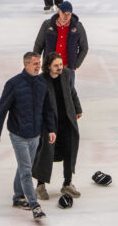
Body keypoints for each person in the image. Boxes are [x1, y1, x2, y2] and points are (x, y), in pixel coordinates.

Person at [0, 52, 56, 221]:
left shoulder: (42, 83)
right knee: (27, 170)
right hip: (18, 135)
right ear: (26, 64)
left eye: (39, 63)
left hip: (35, 135)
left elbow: (47, 109)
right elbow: (2, 108)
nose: (38, 66)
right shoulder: (13, 84)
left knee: (23, 166)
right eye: (35, 63)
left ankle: (18, 197)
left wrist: (51, 129)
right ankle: (35, 205)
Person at [32, 52, 82, 200]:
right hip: (49, 124)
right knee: (45, 154)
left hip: (67, 121)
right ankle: (40, 186)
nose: (60, 67)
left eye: (60, 64)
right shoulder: (41, 80)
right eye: (56, 65)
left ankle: (67, 183)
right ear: (48, 67)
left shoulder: (66, 74)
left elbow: (72, 93)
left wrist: (78, 109)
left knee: (69, 151)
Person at [33, 1, 88, 84]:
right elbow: (38, 45)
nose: (66, 16)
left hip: (68, 69)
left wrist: (76, 64)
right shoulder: (47, 25)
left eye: (68, 14)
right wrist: (35, 62)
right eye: (64, 13)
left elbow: (84, 47)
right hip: (49, 68)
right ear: (59, 12)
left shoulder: (77, 27)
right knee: (48, 94)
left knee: (68, 95)